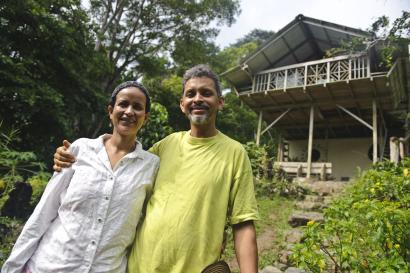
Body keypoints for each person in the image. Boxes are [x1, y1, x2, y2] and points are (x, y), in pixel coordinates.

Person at [53, 64, 259, 273]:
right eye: (191, 94)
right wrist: (77, 156)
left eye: (206, 93)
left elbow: (243, 225)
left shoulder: (235, 153)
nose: (197, 99)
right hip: (139, 266)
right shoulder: (165, 146)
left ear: (220, 102)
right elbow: (120, 176)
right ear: (182, 104)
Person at [2, 82, 159, 273]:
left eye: (137, 107)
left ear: (146, 117)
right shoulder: (80, 150)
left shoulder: (151, 166)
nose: (129, 111)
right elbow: (44, 211)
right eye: (123, 104)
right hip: (51, 266)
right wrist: (12, 268)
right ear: (111, 110)